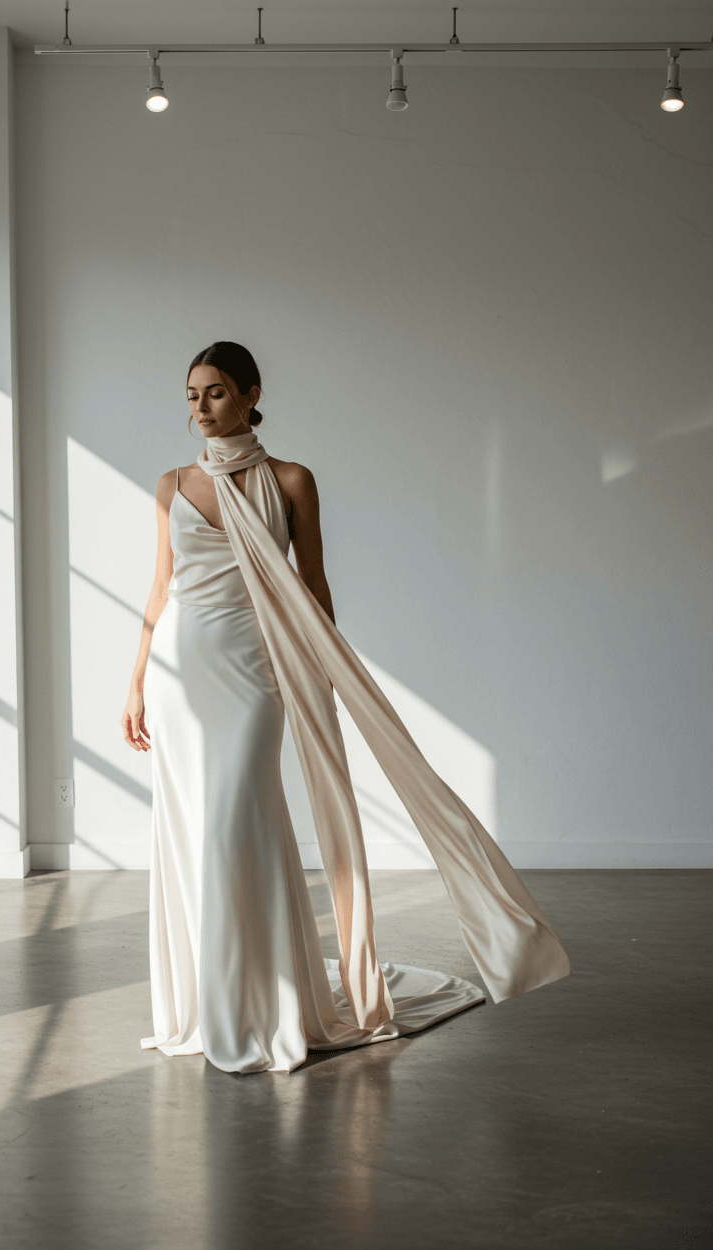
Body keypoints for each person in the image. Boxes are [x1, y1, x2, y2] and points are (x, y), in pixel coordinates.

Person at [122, 340, 570, 1075]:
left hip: (258, 663)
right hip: (181, 669)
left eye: (216, 392)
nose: (201, 408)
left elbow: (313, 583)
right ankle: (215, 1001)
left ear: (251, 395)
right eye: (192, 396)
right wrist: (138, 681)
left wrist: (325, 667)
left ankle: (256, 1004)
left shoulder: (291, 480)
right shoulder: (172, 485)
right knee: (196, 829)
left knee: (238, 821)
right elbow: (159, 586)